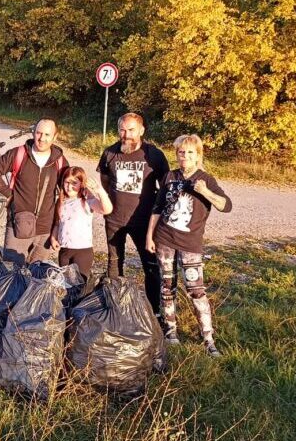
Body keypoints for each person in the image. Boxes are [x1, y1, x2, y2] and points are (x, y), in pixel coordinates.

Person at [146, 134, 232, 357]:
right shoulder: (170, 176)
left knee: (196, 290)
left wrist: (205, 192)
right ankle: (171, 332)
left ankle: (208, 338)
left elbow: (226, 206)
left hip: (190, 244)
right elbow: (157, 208)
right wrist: (149, 236)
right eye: (181, 152)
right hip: (164, 239)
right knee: (167, 287)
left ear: (198, 155)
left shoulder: (206, 179)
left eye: (189, 153)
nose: (184, 156)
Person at [96, 112, 169, 316]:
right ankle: (115, 309)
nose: (126, 134)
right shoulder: (110, 153)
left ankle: (154, 312)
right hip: (114, 220)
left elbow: (164, 187)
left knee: (151, 266)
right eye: (122, 129)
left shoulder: (153, 155)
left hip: (144, 222)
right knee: (114, 262)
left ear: (141, 131)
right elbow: (105, 180)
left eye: (131, 130)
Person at [0, 118, 69, 265]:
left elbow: (67, 192)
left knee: (37, 278)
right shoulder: (18, 154)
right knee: (13, 274)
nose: (41, 138)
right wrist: (10, 194)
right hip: (19, 224)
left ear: (55, 137)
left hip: (45, 229)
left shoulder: (60, 161)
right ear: (33, 133)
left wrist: (58, 226)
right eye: (38, 133)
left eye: (47, 135)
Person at [49, 166, 112, 281]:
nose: (69, 186)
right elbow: (58, 223)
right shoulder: (61, 201)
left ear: (81, 183)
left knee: (79, 285)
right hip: (65, 250)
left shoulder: (87, 200)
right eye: (67, 182)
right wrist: (53, 238)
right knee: (65, 284)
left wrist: (100, 191)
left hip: (82, 251)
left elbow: (107, 209)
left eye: (74, 183)